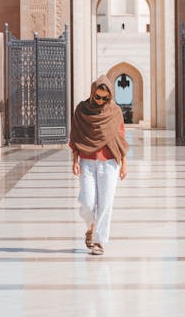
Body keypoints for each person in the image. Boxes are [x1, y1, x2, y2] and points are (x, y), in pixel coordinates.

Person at [69, 75, 128, 256]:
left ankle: (99, 242)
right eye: (98, 97)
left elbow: (120, 138)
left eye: (105, 98)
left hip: (109, 163)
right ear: (92, 93)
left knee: (106, 204)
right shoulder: (82, 109)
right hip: (87, 161)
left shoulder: (115, 112)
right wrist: (75, 160)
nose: (101, 101)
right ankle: (91, 225)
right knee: (87, 202)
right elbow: (76, 135)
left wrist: (124, 164)